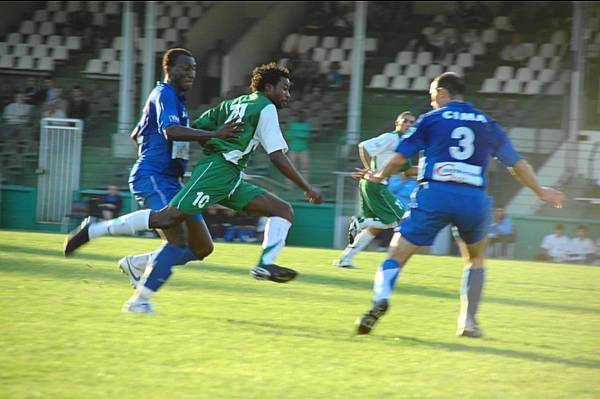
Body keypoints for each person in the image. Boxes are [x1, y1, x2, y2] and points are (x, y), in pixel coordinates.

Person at [64, 62, 323, 310]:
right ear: (268, 88)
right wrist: (307, 187)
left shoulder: (236, 102)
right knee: (169, 218)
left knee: (281, 210)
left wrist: (212, 140)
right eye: (284, 88)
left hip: (231, 175)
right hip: (217, 171)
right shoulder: (265, 107)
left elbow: (198, 126)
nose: (288, 94)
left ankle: (265, 264)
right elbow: (277, 156)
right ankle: (98, 233)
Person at [354, 72, 565, 337]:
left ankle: (380, 298)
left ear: (442, 93)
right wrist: (541, 191)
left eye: (432, 96)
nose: (431, 102)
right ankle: (468, 322)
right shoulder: (487, 122)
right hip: (473, 200)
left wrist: (379, 175)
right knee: (475, 259)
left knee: (396, 253)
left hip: (435, 193)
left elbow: (398, 158)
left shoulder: (431, 119)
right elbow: (517, 164)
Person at [65, 48, 242, 314]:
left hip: (172, 180)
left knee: (202, 246)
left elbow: (138, 132)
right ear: (168, 68)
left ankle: (137, 264)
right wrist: (213, 134)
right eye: (185, 68)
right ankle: (138, 300)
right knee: (174, 236)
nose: (190, 73)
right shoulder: (164, 94)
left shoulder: (176, 100)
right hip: (153, 175)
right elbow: (170, 132)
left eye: (193, 69)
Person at [334, 111, 416, 269]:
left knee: (376, 227)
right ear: (397, 123)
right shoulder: (391, 137)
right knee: (396, 220)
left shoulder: (403, 145)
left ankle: (346, 258)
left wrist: (428, 170)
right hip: (375, 185)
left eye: (412, 122)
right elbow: (363, 146)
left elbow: (408, 171)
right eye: (405, 121)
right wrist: (369, 169)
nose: (409, 124)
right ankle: (359, 221)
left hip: (372, 185)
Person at [286, 110, 312, 179]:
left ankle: (304, 183)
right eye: (300, 116)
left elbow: (306, 135)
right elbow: (288, 135)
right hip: (293, 149)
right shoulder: (293, 125)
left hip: (303, 149)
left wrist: (296, 135)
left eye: (302, 116)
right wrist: (300, 135)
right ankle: (290, 184)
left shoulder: (307, 126)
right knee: (291, 168)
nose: (301, 117)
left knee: (305, 168)